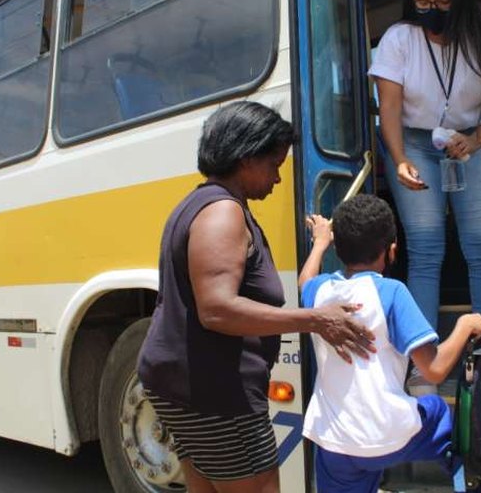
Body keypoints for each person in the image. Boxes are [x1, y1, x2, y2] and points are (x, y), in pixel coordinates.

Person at [137, 102, 376, 493]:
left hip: (184, 385)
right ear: (246, 158)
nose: (279, 178)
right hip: (215, 394)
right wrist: (316, 319)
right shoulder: (222, 213)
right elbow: (217, 310)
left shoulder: (198, 204)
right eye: (275, 165)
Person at [299, 194, 481, 493]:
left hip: (335, 442)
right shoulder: (392, 292)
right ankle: (470, 482)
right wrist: (465, 326)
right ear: (392, 250)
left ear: (338, 246)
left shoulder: (320, 293)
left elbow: (305, 280)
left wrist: (320, 242)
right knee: (437, 409)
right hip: (389, 437)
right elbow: (435, 370)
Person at [370, 0, 481, 334]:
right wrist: (399, 158)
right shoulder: (400, 38)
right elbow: (389, 107)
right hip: (414, 144)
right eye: (423, 4)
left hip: (475, 142)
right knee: (425, 247)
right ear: (412, 1)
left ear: (459, 0)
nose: (432, 11)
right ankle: (424, 352)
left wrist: (477, 139)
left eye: (442, 3)